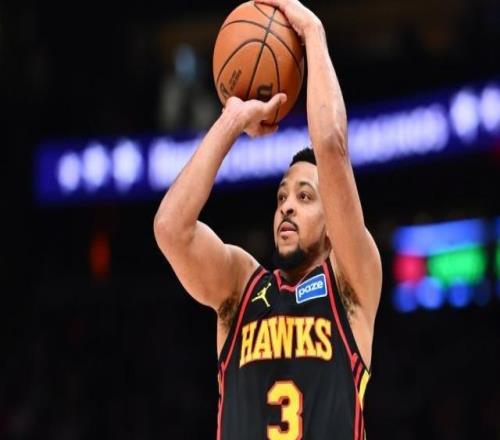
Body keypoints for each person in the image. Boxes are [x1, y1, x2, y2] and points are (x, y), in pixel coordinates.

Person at [153, 0, 382, 438]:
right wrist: (232, 120)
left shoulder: (351, 284)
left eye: (304, 196)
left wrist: (312, 32)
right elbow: (170, 229)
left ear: (333, 224)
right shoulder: (241, 287)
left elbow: (331, 145)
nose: (287, 206)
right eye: (281, 197)